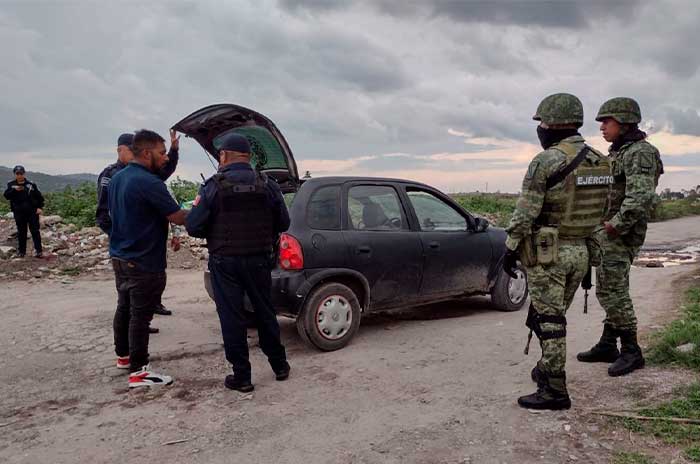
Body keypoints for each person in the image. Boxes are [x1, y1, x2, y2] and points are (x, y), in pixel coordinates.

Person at [503, 93, 611, 410]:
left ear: (552, 124)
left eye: (543, 123)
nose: (541, 128)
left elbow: (525, 213)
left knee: (550, 322)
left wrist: (510, 249)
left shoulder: (546, 161)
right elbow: (602, 210)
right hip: (580, 253)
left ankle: (555, 390)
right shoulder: (599, 159)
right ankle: (545, 369)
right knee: (552, 317)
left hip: (549, 255)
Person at [185, 132, 291, 392]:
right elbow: (284, 223)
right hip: (259, 261)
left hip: (225, 262)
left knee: (232, 318)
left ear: (223, 156)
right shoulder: (267, 184)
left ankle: (242, 377)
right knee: (265, 313)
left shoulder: (213, 185)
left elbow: (194, 226)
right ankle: (280, 366)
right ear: (249, 156)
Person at [577, 98, 663, 377]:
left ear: (624, 123)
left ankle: (631, 350)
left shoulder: (639, 153)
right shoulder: (619, 152)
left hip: (621, 234)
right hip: (608, 232)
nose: (602, 127)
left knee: (612, 291)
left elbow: (639, 198)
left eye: (607, 121)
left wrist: (614, 226)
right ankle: (607, 344)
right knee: (608, 285)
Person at [108, 129, 188, 388]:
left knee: (125, 308)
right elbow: (176, 216)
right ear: (146, 153)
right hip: (143, 260)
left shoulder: (118, 178)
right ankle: (139, 372)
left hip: (121, 256)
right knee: (140, 316)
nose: (165, 158)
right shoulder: (148, 182)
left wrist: (174, 150)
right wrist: (201, 208)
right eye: (162, 153)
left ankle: (124, 356)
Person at [97, 131, 180, 317]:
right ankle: (137, 334)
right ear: (121, 150)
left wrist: (174, 151)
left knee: (133, 304)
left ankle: (152, 306)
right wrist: (120, 235)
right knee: (134, 311)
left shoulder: (145, 175)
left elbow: (165, 169)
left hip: (140, 246)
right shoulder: (112, 175)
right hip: (131, 249)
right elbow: (103, 214)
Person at [4, 165, 44, 258]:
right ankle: (22, 252)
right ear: (15, 174)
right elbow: (6, 196)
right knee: (21, 232)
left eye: (21, 173)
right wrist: (14, 190)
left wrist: (39, 207)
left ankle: (39, 251)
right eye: (17, 173)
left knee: (35, 231)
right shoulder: (11, 184)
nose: (19, 175)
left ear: (24, 173)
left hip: (32, 212)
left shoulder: (30, 184)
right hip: (19, 212)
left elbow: (39, 197)